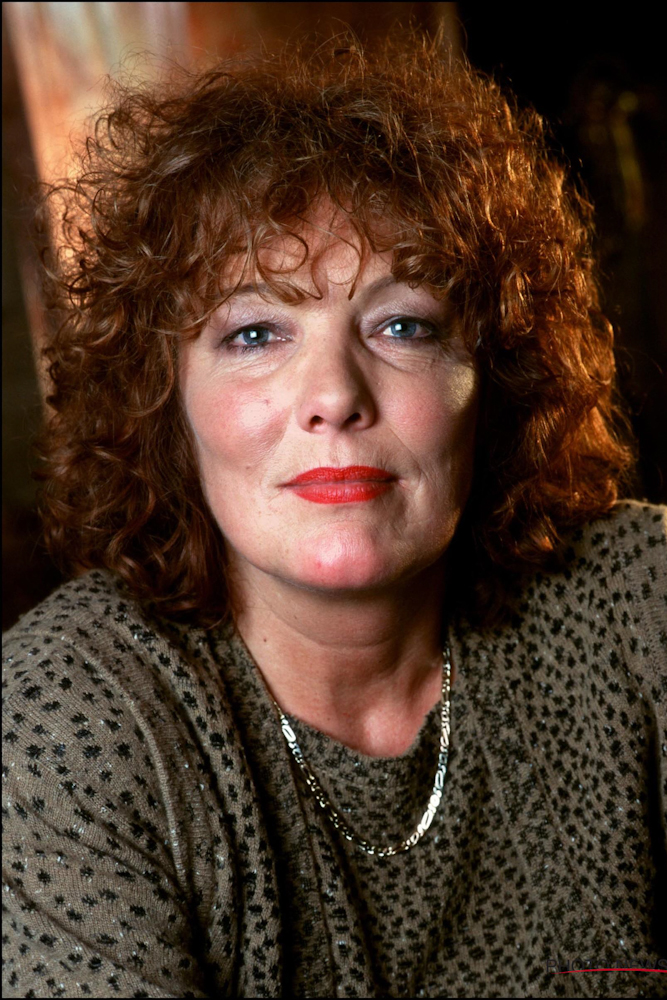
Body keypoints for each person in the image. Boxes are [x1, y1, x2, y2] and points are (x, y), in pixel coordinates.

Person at [2, 31, 666, 999]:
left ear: (495, 377)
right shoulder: (65, 719)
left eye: (402, 324)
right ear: (162, 402)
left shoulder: (639, 602)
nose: (333, 397)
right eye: (255, 333)